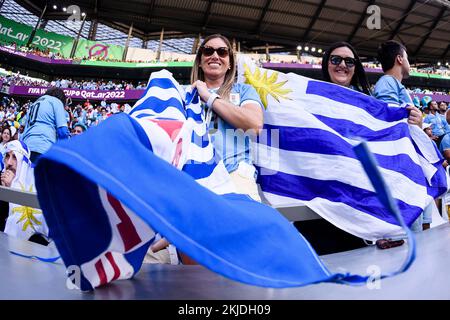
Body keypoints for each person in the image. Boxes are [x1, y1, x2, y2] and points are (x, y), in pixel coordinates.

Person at [149, 34, 264, 263]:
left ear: (230, 62)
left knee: (239, 244)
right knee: (148, 257)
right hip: (190, 182)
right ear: (200, 60)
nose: (215, 55)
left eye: (222, 52)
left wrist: (209, 97)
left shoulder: (243, 91)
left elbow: (254, 123)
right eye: (208, 51)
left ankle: (173, 240)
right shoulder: (181, 94)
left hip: (234, 175)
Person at [0, 140, 49, 243]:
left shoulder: (36, 184)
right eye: (7, 156)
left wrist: (12, 190)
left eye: (15, 157)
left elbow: (39, 228)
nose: (9, 163)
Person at [373, 40, 422, 128]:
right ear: (400, 59)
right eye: (407, 59)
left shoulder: (392, 82)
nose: (409, 64)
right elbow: (388, 120)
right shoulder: (387, 81)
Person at [21, 87, 70, 164]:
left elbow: (23, 128)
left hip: (26, 148)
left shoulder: (33, 104)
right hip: (44, 147)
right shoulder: (56, 101)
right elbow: (63, 132)